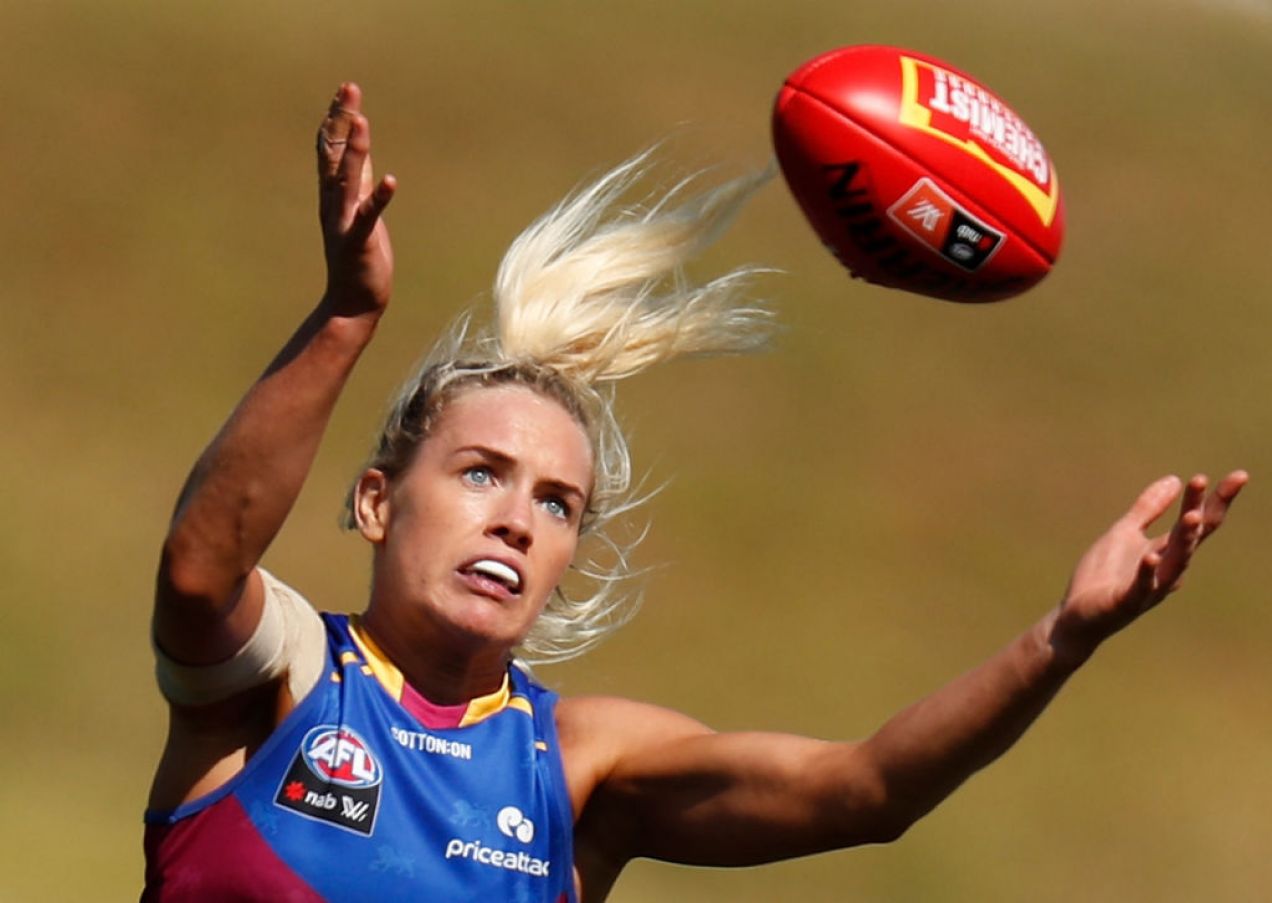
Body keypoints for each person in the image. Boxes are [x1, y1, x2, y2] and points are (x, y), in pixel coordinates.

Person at [141, 84, 1248, 902]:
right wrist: (345, 320)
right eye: (481, 474)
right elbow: (201, 569)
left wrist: (1059, 640)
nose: (518, 520)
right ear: (378, 503)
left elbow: (861, 791)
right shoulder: (285, 683)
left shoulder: (576, 767)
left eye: (558, 504)